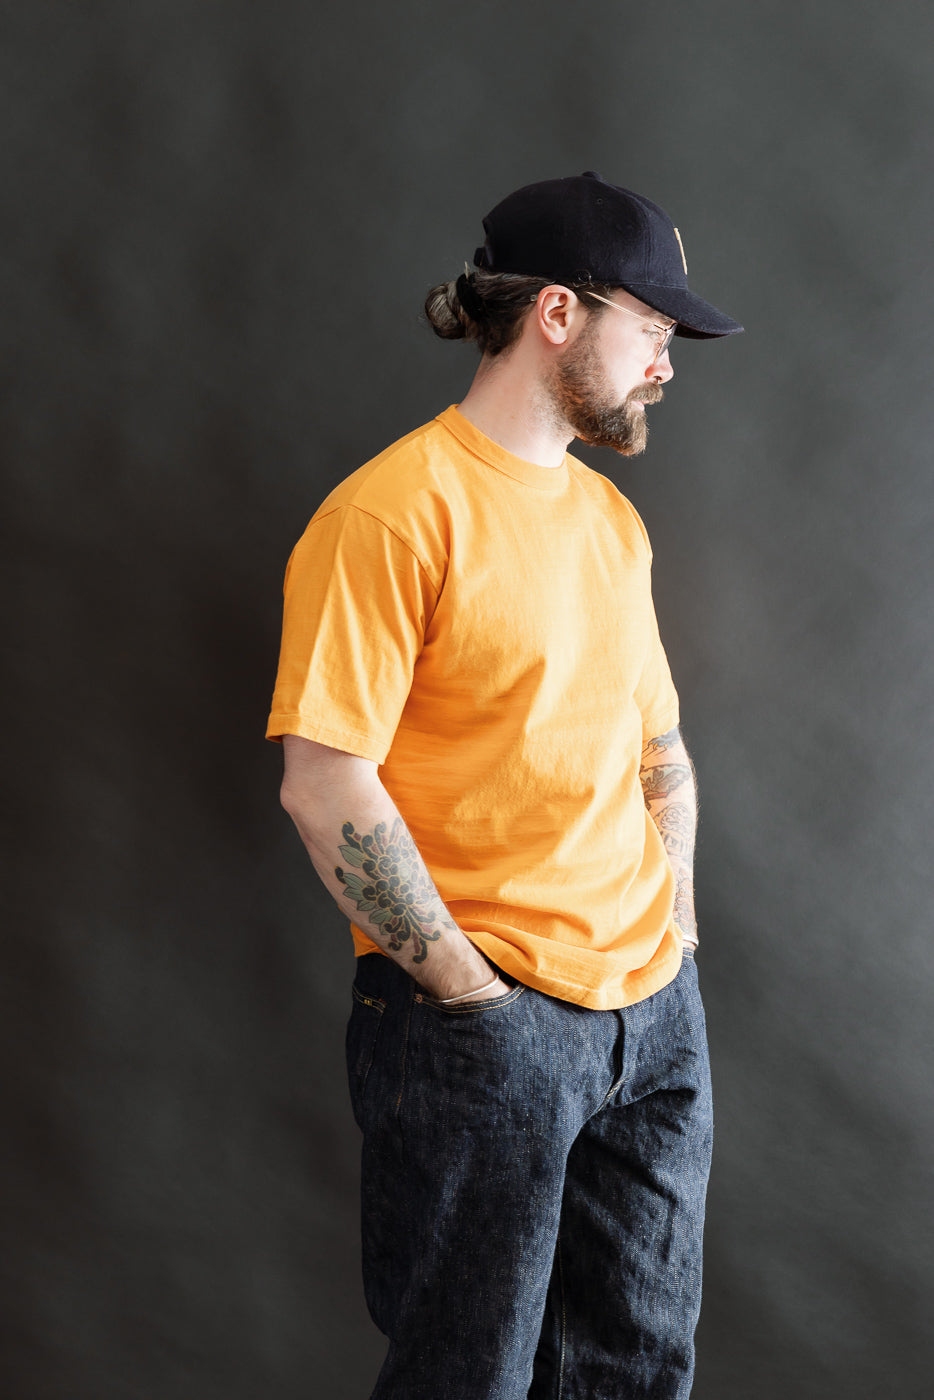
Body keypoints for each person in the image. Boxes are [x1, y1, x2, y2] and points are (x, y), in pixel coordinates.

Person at [266, 171, 743, 1400]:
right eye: (651, 328)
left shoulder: (610, 525)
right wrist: (476, 1001)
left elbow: (658, 752)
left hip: (653, 1016)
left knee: (638, 1369)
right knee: (467, 1375)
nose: (666, 364)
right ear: (555, 315)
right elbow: (325, 783)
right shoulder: (387, 514)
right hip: (484, 1025)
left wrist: (675, 944)